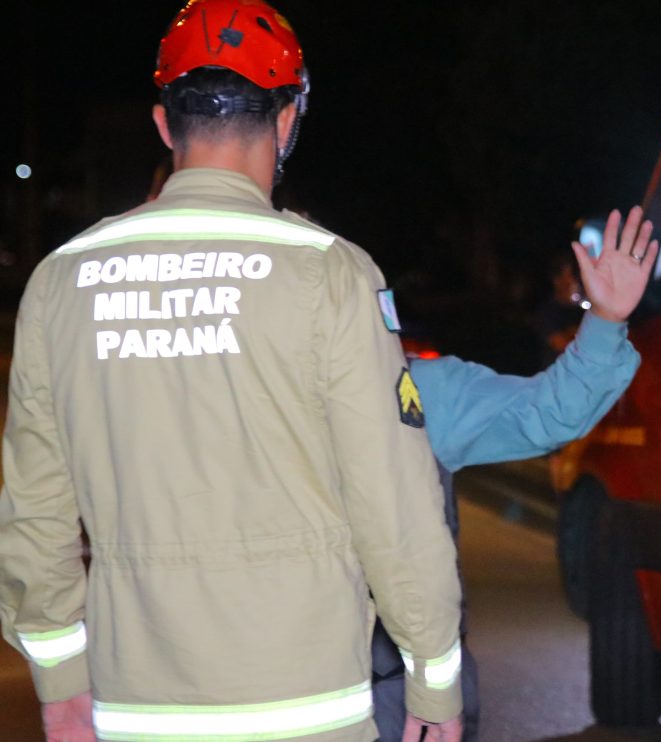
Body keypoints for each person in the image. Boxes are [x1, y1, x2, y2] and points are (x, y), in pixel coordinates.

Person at [0, 1, 463, 740]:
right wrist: (435, 680)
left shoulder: (63, 280)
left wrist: (59, 682)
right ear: (285, 124)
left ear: (163, 124)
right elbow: (394, 503)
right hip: (307, 705)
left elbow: (35, 512)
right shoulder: (331, 273)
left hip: (133, 704)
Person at [371, 206, 657, 742]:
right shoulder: (231, 395)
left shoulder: (416, 391)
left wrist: (606, 321)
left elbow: (548, 411)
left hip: (400, 695)